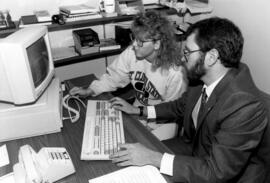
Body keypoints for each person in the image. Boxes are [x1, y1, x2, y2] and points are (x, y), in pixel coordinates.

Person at [109, 17, 269, 183]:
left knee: (144, 162)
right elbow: (180, 107)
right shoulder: (202, 78)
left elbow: (216, 172)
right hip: (197, 149)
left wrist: (154, 158)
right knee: (129, 159)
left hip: (223, 173)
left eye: (187, 52)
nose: (182, 59)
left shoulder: (243, 105)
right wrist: (138, 110)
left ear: (212, 57)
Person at [70, 10, 187, 107]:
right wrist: (90, 90)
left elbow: (171, 110)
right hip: (139, 108)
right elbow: (113, 78)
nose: (134, 45)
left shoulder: (176, 73)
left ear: (157, 44)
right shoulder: (132, 53)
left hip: (163, 120)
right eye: (135, 38)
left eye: (141, 42)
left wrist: (141, 115)